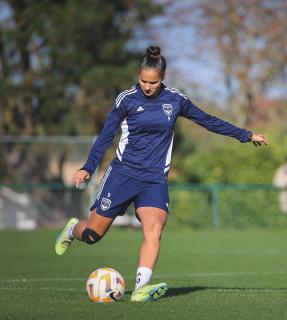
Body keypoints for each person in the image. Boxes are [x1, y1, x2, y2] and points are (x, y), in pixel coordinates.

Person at [54, 46, 268, 302]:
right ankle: (71, 229)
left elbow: (208, 120)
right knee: (92, 236)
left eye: (153, 82)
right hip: (122, 174)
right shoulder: (126, 100)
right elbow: (105, 136)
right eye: (143, 80)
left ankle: (141, 288)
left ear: (163, 78)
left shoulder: (176, 100)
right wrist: (88, 167)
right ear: (138, 76)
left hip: (154, 179)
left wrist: (246, 135)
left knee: (154, 230)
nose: (147, 86)